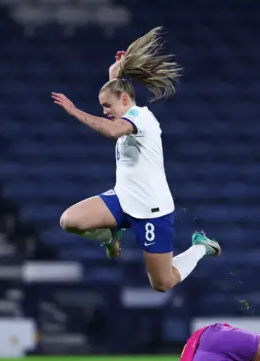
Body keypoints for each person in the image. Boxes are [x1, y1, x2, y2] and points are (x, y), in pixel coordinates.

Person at [52, 27, 220, 293]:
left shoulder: (142, 118)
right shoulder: (125, 109)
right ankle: (111, 234)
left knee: (162, 283)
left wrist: (74, 111)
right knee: (69, 221)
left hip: (152, 209)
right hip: (123, 198)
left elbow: (111, 130)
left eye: (107, 106)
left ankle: (201, 246)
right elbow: (116, 100)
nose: (104, 111)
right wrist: (115, 73)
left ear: (126, 99)